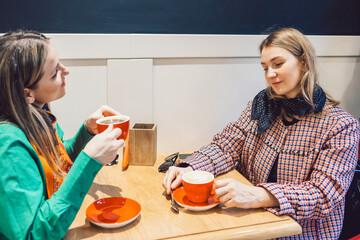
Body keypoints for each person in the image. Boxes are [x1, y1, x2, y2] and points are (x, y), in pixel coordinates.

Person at [163, 28, 360, 239]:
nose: (270, 75)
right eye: (265, 68)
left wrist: (260, 195)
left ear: (304, 62)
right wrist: (190, 167)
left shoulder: (341, 126)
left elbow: (322, 195)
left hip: (304, 233)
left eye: (278, 64)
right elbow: (226, 146)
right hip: (254, 223)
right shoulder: (261, 106)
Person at [0, 30, 125, 239]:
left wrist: (86, 132)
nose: (65, 71)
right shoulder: (9, 149)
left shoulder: (37, 115)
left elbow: (51, 162)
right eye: (54, 72)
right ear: (27, 94)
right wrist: (90, 160)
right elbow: (34, 234)